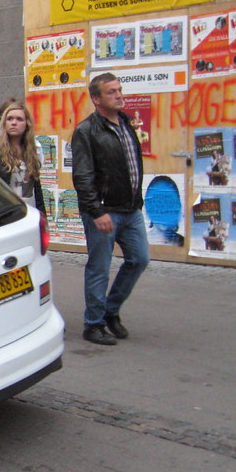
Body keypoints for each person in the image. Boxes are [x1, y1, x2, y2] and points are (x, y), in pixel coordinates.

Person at [71, 72, 150, 346]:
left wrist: (136, 201)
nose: (119, 95)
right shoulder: (86, 130)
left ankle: (110, 311)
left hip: (130, 209)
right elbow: (82, 176)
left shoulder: (128, 123)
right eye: (111, 91)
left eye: (119, 89)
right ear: (96, 99)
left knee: (139, 259)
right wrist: (96, 211)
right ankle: (93, 324)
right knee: (99, 267)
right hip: (103, 211)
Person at [0, 100, 46, 214]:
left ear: (27, 124)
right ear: (4, 123)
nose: (14, 123)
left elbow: (37, 189)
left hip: (29, 212)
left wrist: (42, 216)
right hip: (4, 214)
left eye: (19, 119)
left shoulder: (32, 150)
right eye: (10, 119)